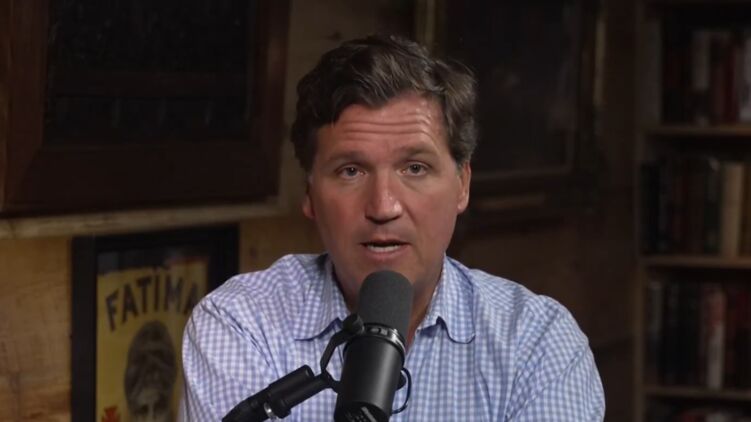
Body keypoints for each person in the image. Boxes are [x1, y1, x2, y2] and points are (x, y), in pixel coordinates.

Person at [180, 34, 605, 421]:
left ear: (462, 185)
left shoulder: (537, 342)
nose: (383, 207)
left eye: (415, 168)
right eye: (351, 171)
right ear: (309, 195)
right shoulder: (241, 323)